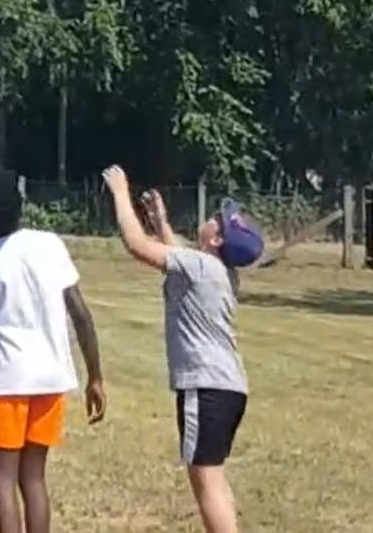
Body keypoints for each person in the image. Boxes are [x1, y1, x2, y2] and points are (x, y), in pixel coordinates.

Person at [100, 168, 258, 533]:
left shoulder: (200, 265)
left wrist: (121, 194)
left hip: (205, 387)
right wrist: (161, 222)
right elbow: (180, 254)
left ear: (216, 239)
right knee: (214, 477)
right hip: (228, 387)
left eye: (215, 220)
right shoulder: (217, 270)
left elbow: (137, 246)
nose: (210, 218)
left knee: (205, 480)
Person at [0, 170, 105, 533]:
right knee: (33, 478)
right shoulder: (49, 243)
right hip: (52, 377)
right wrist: (95, 375)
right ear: (20, 208)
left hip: (8, 381)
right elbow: (80, 313)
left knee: (2, 479)